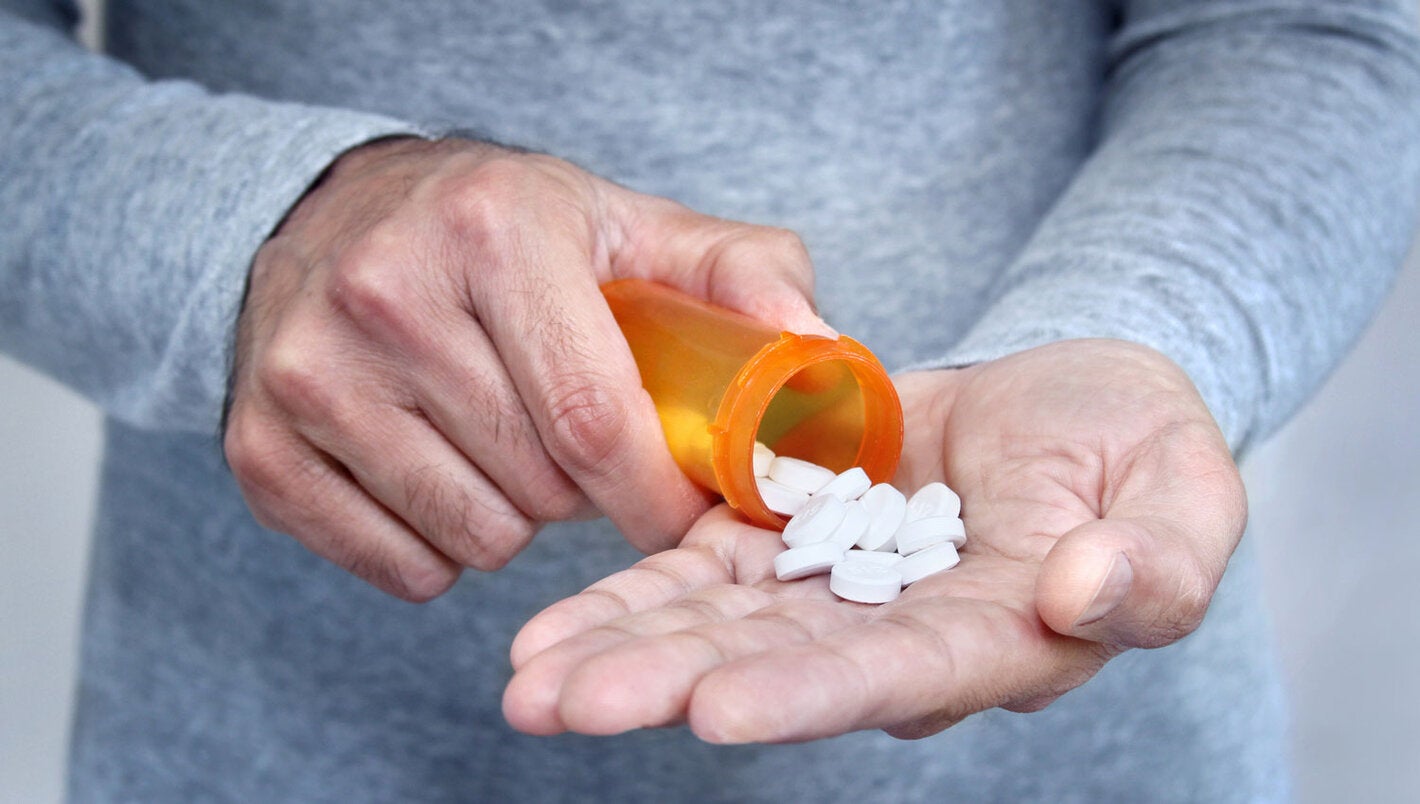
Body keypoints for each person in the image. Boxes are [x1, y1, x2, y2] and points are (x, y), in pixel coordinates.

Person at [4, 0, 1418, 800]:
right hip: (287, 734)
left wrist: (1133, 332)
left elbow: (1316, 29)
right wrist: (256, 232)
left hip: (1065, 755)